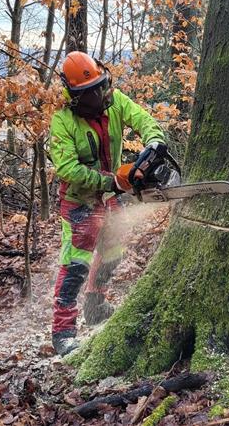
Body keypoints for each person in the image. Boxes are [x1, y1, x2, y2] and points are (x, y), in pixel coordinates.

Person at [48, 51, 167, 356]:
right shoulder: (63, 122)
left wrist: (153, 145)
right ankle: (62, 331)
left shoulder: (114, 103)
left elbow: (143, 119)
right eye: (93, 92)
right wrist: (110, 181)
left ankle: (96, 305)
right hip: (79, 203)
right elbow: (67, 169)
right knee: (75, 265)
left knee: (114, 253)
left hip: (109, 198)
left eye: (102, 86)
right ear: (77, 97)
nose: (101, 94)